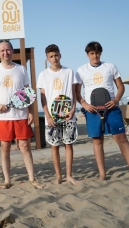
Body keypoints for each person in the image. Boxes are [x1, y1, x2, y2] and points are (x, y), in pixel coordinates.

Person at [75, 41, 129, 184]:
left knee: (122, 139)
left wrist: (115, 100)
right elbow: (77, 92)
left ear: (100, 53)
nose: (95, 56)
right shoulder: (81, 70)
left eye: (97, 53)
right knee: (97, 141)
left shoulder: (110, 66)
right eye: (92, 53)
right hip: (93, 110)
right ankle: (102, 175)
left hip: (111, 108)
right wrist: (84, 104)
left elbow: (121, 87)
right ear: (87, 55)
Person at [0, 40, 44, 189]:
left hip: (20, 115)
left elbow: (27, 93)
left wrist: (30, 112)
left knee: (25, 147)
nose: (5, 53)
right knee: (5, 148)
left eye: (8, 49)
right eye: (2, 50)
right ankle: (7, 181)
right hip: (3, 118)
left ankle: (32, 179)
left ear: (12, 51)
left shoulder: (21, 69)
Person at [37, 44, 79, 185]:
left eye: (56, 55)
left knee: (68, 144)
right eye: (51, 56)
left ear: (60, 55)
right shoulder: (43, 75)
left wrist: (73, 109)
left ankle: (69, 175)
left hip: (68, 114)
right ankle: (58, 176)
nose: (54, 58)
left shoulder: (69, 72)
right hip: (52, 116)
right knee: (54, 146)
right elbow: (43, 98)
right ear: (47, 58)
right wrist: (47, 116)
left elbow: (74, 93)